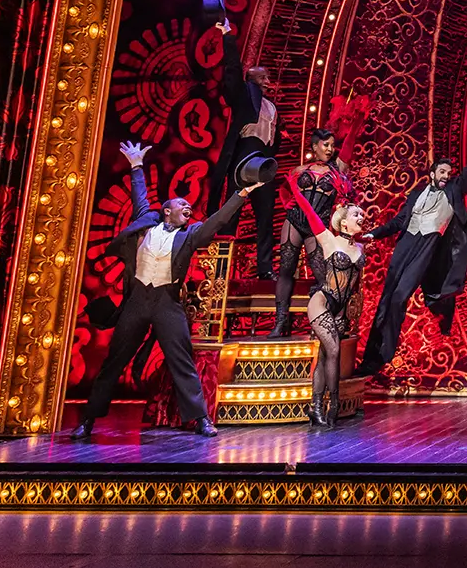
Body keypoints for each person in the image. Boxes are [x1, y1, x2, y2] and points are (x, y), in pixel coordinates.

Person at [70, 141, 259, 439]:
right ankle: (88, 420)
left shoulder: (190, 235)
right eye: (182, 205)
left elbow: (218, 219)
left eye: (189, 206)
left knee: (180, 359)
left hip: (167, 302)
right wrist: (135, 165)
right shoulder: (145, 226)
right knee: (114, 360)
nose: (188, 208)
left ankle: (200, 418)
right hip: (137, 301)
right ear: (166, 211)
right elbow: (139, 196)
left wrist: (243, 193)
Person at [354, 126, 467, 377]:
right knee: (386, 300)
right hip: (406, 243)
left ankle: (386, 353)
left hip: (428, 248)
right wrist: (374, 233)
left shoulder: (453, 190)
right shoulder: (417, 193)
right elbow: (399, 222)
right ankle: (372, 359)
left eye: (449, 173)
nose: (446, 176)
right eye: (442, 172)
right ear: (431, 173)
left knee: (399, 298)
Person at [282, 172, 366, 426]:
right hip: (321, 302)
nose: (361, 217)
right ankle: (334, 405)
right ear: (343, 224)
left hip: (340, 310)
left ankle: (315, 407)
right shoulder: (328, 239)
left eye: (362, 214)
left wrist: (349, 312)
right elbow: (309, 212)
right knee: (333, 350)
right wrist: (295, 191)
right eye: (356, 215)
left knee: (324, 357)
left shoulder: (360, 248)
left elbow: (355, 285)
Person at [210, 16, 281, 280]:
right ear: (251, 79)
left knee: (266, 217)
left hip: (262, 159)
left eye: (266, 76)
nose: (266, 79)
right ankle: (219, 271)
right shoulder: (244, 97)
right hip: (244, 156)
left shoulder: (271, 107)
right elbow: (232, 69)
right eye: (261, 76)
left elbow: (274, 138)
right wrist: (228, 35)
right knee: (231, 215)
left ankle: (265, 268)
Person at [270, 128, 355, 338]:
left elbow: (349, 146)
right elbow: (284, 189)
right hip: (294, 222)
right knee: (286, 269)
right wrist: (287, 204)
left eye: (332, 145)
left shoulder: (337, 169)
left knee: (323, 276)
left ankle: (324, 320)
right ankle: (280, 322)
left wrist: (357, 119)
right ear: (314, 146)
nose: (330, 149)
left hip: (317, 226)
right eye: (325, 145)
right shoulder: (300, 170)